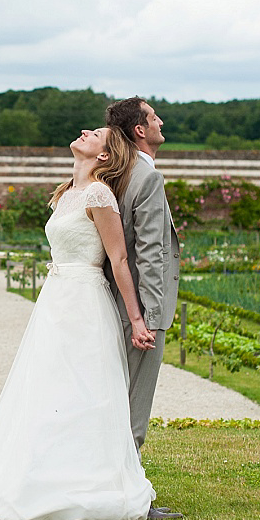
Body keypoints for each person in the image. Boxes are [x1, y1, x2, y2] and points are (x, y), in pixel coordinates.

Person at [0, 126, 167, 520]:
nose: (85, 131)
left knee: (84, 388)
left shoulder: (100, 195)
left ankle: (87, 484)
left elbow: (119, 260)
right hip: (55, 300)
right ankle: (33, 478)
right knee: (45, 386)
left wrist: (138, 319)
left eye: (97, 134)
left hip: (86, 301)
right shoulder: (66, 192)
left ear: (104, 156)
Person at [102, 97, 181, 453]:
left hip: (112, 303)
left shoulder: (116, 173)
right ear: (140, 130)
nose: (160, 121)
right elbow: (150, 252)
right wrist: (147, 318)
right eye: (153, 117)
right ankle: (128, 494)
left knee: (115, 399)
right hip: (140, 311)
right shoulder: (147, 177)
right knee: (135, 406)